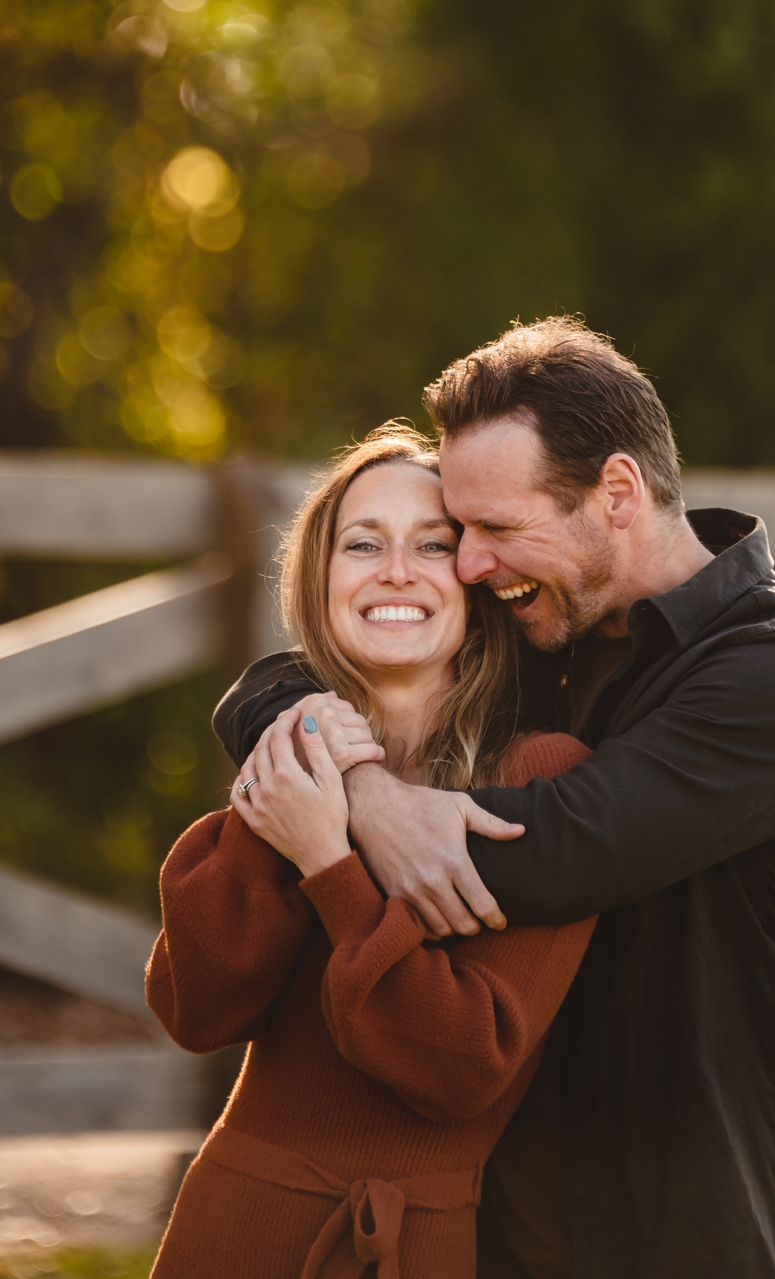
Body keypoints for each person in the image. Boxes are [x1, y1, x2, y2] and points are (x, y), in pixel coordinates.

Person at [216, 317, 775, 1279]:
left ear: (615, 493)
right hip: (510, 1228)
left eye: (496, 529)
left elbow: (557, 849)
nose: (470, 566)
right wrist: (363, 785)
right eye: (460, 533)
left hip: (708, 1231)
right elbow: (275, 683)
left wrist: (350, 819)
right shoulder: (540, 630)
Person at [146, 422, 598, 1279]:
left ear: (474, 582)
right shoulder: (293, 752)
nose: (396, 570)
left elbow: (461, 1068)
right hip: (230, 1223)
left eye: (432, 545)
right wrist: (294, 788)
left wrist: (329, 865)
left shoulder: (536, 776)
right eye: (363, 544)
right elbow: (194, 1009)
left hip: (403, 1242)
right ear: (321, 581)